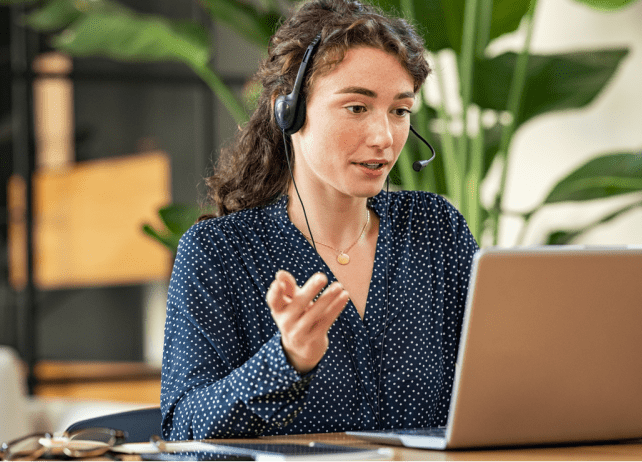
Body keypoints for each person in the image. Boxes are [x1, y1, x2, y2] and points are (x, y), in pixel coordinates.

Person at [160, 0, 479, 440]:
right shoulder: (220, 253)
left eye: (400, 111)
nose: (384, 137)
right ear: (287, 110)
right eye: (356, 107)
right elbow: (182, 431)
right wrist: (286, 360)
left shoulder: (435, 230)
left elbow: (499, 380)